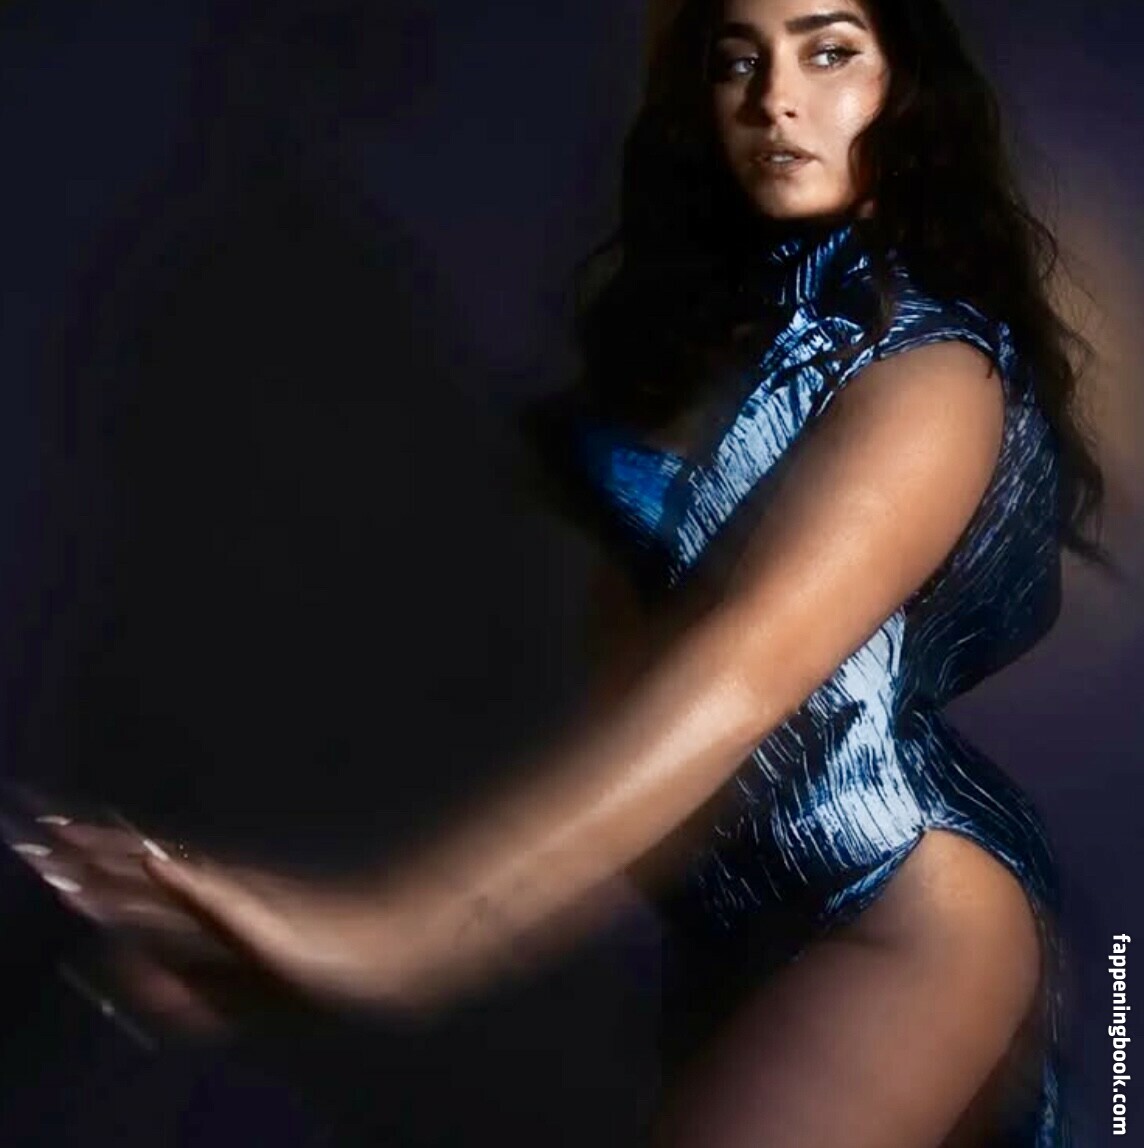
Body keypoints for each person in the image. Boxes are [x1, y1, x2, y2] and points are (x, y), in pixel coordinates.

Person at [9, 0, 1115, 1143]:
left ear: (908, 89)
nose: (774, 99)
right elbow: (620, 712)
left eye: (828, 52)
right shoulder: (711, 350)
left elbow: (743, 673)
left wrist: (395, 935)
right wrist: (306, 953)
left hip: (901, 906)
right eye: (736, 60)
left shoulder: (932, 371)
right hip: (721, 932)